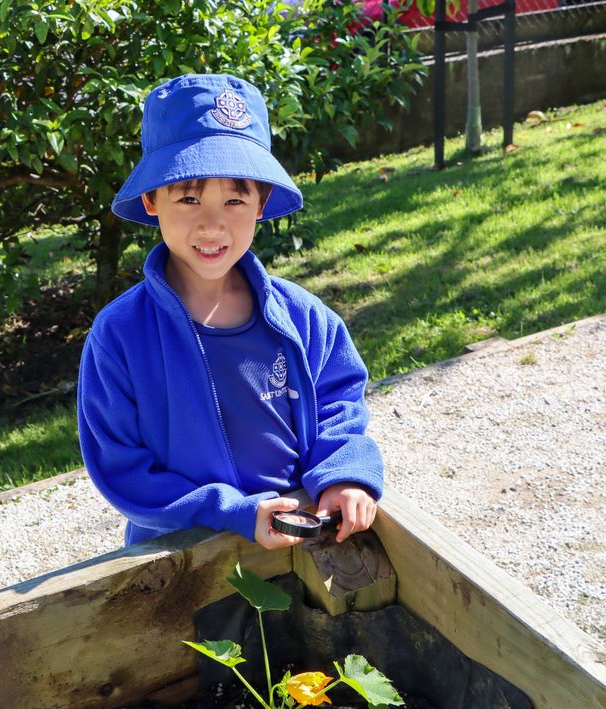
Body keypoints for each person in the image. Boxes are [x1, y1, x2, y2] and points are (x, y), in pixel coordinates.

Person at [77, 73, 383, 550]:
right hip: (182, 556)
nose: (212, 224)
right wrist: (231, 511)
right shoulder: (119, 335)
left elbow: (338, 401)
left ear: (262, 202)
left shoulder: (305, 317)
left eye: (235, 199)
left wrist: (344, 474)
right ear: (151, 200)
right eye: (189, 198)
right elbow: (120, 465)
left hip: (300, 537)